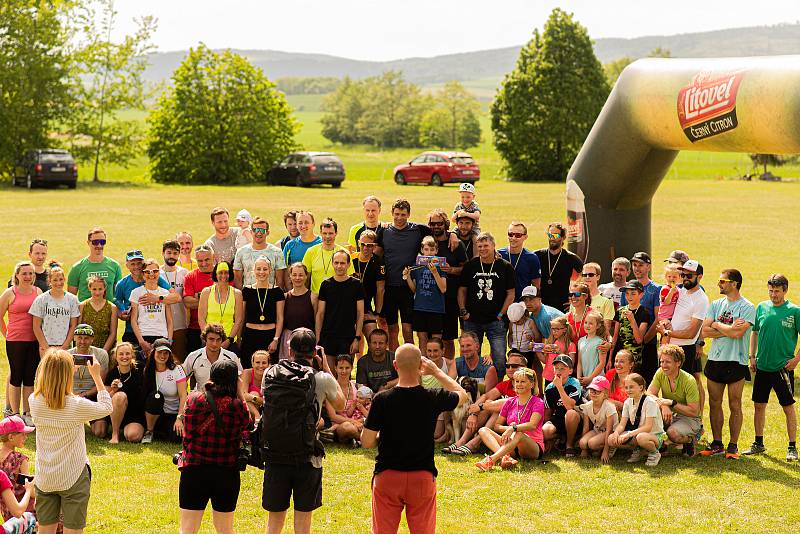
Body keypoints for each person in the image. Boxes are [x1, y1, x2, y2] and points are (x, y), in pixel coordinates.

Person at [361, 344, 468, 534]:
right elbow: (462, 394)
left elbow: (367, 441)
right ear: (421, 365)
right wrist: (436, 372)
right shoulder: (432, 396)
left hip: (388, 475)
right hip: (422, 476)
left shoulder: (381, 399)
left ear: (395, 365)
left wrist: (383, 437)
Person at [262, 328, 344, 534]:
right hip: (307, 454)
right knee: (303, 522)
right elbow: (341, 404)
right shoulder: (321, 378)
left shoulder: (269, 373)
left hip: (275, 452)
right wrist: (325, 366)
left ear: (290, 350)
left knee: (274, 522)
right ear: (314, 352)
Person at [29, 349, 112, 534]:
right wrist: (97, 377)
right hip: (73, 475)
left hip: (46, 477)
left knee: (45, 530)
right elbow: (107, 407)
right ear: (67, 374)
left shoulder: (33, 401)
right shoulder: (76, 405)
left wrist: (61, 369)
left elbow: (49, 391)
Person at [177, 359, 249, 534]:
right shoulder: (237, 406)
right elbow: (246, 422)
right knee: (225, 529)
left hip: (194, 470)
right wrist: (240, 392)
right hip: (225, 472)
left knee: (187, 529)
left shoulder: (194, 399)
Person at [699, 269, 754, 459]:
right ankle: (717, 444)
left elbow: (738, 334)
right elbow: (704, 332)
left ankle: (733, 446)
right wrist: (727, 328)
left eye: (723, 281)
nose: (719, 284)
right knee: (714, 403)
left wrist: (716, 325)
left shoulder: (747, 307)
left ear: (734, 284)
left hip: (736, 361)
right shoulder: (715, 304)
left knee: (735, 403)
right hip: (715, 359)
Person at [744, 274, 800, 461]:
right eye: (770, 290)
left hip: (782, 368)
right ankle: (758, 443)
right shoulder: (762, 307)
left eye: (776, 291)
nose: (773, 294)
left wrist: (796, 360)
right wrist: (752, 356)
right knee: (759, 405)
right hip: (762, 367)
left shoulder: (794, 311)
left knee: (788, 407)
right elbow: (754, 333)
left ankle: (792, 447)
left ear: (785, 290)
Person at [444, 351, 527, 456]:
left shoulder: (528, 384)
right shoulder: (506, 384)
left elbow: (511, 404)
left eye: (514, 366)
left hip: (518, 427)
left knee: (496, 408)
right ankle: (461, 441)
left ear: (525, 367)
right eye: (507, 365)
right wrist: (474, 414)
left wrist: (481, 407)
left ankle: (475, 443)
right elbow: (486, 396)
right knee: (489, 405)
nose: (510, 369)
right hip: (503, 424)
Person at [458, 232, 515, 377]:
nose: (482, 249)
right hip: (472, 320)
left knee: (499, 358)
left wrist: (501, 314)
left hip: (495, 321)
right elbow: (462, 290)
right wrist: (463, 311)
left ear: (493, 246)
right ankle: (470, 386)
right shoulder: (471, 266)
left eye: (486, 246)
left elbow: (511, 294)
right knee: (468, 356)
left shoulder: (505, 266)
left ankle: (497, 390)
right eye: (479, 246)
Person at [376, 199, 431, 350]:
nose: (399, 218)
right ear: (391, 214)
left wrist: (452, 235)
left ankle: (411, 362)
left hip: (409, 287)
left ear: (409, 215)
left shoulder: (418, 230)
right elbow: (376, 254)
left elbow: (441, 233)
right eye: (396, 214)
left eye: (403, 215)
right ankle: (395, 363)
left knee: (408, 330)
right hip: (389, 288)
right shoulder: (384, 231)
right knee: (392, 330)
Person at [656, 259, 708, 419]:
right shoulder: (680, 290)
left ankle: (693, 425)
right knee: (667, 385)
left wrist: (666, 332)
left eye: (689, 275)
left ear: (699, 277)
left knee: (686, 390)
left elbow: (691, 333)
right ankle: (671, 422)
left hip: (685, 350)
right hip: (668, 346)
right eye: (683, 274)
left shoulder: (701, 299)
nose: (684, 277)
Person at [475, 366, 545, 471]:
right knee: (483, 430)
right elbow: (497, 426)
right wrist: (508, 429)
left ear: (532, 384)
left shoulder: (538, 402)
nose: (519, 384)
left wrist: (513, 428)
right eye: (517, 381)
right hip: (510, 443)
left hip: (532, 446)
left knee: (519, 433)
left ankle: (491, 460)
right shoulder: (509, 401)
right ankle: (506, 457)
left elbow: (532, 425)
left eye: (523, 381)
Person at [0, 263, 42, 420]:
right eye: (24, 273)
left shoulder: (38, 292)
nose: (28, 277)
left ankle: (27, 412)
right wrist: (7, 334)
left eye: (31, 273)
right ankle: (15, 413)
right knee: (16, 376)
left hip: (34, 340)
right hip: (15, 341)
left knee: (30, 377)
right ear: (17, 275)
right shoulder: (10, 293)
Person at [647, 344, 702, 457]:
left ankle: (690, 440)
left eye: (667, 362)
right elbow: (649, 393)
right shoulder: (660, 372)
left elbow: (694, 411)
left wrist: (672, 403)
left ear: (678, 363)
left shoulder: (689, 380)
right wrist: (663, 405)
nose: (663, 365)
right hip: (669, 412)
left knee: (673, 434)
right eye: (661, 362)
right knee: (647, 419)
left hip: (689, 417)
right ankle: (661, 446)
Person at [428, 209, 468, 360]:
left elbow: (466, 268)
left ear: (445, 224)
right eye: (433, 223)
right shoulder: (426, 241)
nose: (436, 226)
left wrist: (451, 269)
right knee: (431, 338)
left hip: (450, 297)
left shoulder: (455, 244)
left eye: (439, 223)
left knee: (448, 338)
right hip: (430, 298)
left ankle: (450, 368)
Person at [315, 250, 365, 370]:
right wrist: (318, 338)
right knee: (331, 375)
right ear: (332, 263)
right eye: (336, 262)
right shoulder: (326, 285)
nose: (339, 266)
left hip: (348, 337)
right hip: (328, 336)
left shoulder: (356, 284)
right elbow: (320, 314)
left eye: (342, 263)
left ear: (348, 264)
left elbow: (360, 314)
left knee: (344, 375)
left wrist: (357, 338)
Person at [114, 250, 173, 350]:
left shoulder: (154, 277)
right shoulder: (122, 284)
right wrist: (122, 311)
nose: (136, 266)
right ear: (127, 265)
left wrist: (157, 298)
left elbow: (176, 297)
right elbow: (117, 300)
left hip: (158, 331)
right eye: (133, 264)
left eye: (139, 263)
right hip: (132, 330)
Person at [607, 373, 665, 467]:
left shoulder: (649, 402)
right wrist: (616, 433)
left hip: (653, 435)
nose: (628, 390)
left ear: (641, 387)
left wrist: (629, 434)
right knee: (611, 439)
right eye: (626, 387)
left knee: (641, 437)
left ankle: (654, 452)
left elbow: (648, 427)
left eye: (631, 387)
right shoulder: (628, 402)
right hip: (637, 434)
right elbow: (622, 424)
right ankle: (638, 449)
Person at [621, 252, 661, 380]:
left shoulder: (656, 289)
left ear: (648, 267)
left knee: (647, 380)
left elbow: (658, 317)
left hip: (648, 344)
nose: (637, 268)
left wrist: (644, 339)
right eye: (634, 265)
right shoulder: (627, 288)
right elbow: (623, 315)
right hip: (628, 345)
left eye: (641, 265)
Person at [240, 257, 285, 367]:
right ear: (253, 271)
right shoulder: (246, 290)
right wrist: (239, 337)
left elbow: (280, 318)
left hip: (269, 336)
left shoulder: (277, 292)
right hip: (250, 335)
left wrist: (276, 339)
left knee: (269, 369)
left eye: (265, 269)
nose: (261, 272)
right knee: (248, 368)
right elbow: (241, 317)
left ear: (270, 271)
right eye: (258, 269)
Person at [404, 237, 446, 351]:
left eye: (432, 250)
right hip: (420, 307)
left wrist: (435, 272)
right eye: (426, 250)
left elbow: (443, 288)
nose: (429, 253)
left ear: (436, 251)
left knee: (436, 340)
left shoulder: (441, 265)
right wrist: (407, 277)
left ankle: (436, 365)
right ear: (422, 250)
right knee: (422, 337)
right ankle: (423, 364)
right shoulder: (417, 266)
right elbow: (414, 289)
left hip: (436, 308)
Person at [142, 339, 188, 444]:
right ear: (153, 352)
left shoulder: (177, 369)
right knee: (154, 397)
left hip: (174, 414)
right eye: (159, 352)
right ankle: (149, 431)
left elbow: (183, 395)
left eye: (166, 353)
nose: (163, 356)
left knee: (176, 438)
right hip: (156, 413)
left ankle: (161, 432)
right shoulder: (148, 370)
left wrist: (180, 418)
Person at [67, 324, 110, 437]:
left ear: (92, 339)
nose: (82, 341)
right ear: (74, 338)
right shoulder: (67, 355)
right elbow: (62, 382)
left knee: (100, 432)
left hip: (92, 394)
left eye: (86, 338)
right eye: (80, 337)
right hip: (71, 395)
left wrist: (84, 394)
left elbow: (100, 383)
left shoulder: (101, 354)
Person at [30, 265, 80, 355]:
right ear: (49, 281)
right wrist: (46, 347)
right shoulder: (41, 299)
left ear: (64, 279)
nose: (58, 283)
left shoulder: (72, 299)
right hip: (46, 346)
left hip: (66, 347)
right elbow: (36, 326)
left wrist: (65, 346)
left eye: (61, 279)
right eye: (55, 280)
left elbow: (73, 325)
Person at [130, 259, 174, 357]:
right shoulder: (136, 292)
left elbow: (169, 319)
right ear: (142, 274)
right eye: (147, 272)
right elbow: (133, 320)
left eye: (155, 271)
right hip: (144, 335)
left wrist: (169, 340)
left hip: (162, 335)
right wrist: (141, 341)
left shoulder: (165, 293)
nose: (151, 274)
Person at [535, 222, 583, 312]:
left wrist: (574, 301)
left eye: (555, 235)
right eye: (550, 235)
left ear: (563, 237)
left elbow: (584, 279)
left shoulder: (571, 258)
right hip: (541, 306)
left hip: (562, 307)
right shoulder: (537, 255)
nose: (552, 238)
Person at [103, 342, 145, 444]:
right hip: (116, 413)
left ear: (132, 355)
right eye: (121, 354)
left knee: (133, 436)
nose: (124, 357)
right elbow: (104, 400)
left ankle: (130, 428)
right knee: (120, 396)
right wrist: (113, 391)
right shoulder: (112, 373)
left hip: (135, 414)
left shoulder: (140, 370)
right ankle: (115, 433)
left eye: (127, 353)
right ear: (116, 357)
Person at [612, 280, 653, 382]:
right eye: (627, 294)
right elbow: (615, 336)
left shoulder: (644, 313)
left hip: (635, 359)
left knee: (632, 383)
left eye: (633, 294)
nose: (629, 297)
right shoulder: (620, 311)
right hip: (620, 356)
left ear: (641, 295)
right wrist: (610, 359)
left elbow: (639, 339)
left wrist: (632, 320)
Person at [541, 354, 582, 457]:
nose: (559, 371)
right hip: (559, 417)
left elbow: (569, 406)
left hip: (575, 418)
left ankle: (569, 444)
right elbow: (548, 412)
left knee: (570, 413)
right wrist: (548, 439)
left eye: (562, 368)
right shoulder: (549, 388)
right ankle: (560, 437)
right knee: (545, 431)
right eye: (556, 368)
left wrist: (559, 387)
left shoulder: (574, 383)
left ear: (570, 371)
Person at [183, 324, 243, 393]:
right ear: (205, 339)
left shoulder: (232, 357)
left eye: (218, 340)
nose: (215, 344)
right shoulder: (193, 356)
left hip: (225, 400)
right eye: (211, 339)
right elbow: (181, 379)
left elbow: (240, 380)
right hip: (201, 400)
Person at [67, 227, 122, 301]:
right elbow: (70, 298)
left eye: (102, 242)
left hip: (109, 311)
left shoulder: (114, 266)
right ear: (88, 243)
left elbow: (119, 295)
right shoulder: (77, 267)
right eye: (95, 242)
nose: (99, 245)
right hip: (85, 311)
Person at [198, 262, 243, 353]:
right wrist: (208, 339)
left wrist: (229, 340)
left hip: (228, 341)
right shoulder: (206, 292)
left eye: (226, 272)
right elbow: (201, 318)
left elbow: (238, 320)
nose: (223, 275)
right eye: (220, 273)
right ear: (215, 274)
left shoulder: (237, 293)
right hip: (209, 341)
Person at [234, 216, 287, 291]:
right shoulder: (241, 252)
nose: (259, 233)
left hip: (269, 295)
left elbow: (280, 281)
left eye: (262, 230)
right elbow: (238, 280)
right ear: (251, 232)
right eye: (255, 230)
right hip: (248, 297)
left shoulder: (277, 252)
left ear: (268, 233)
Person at [303, 218, 353, 294]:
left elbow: (350, 279)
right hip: (316, 297)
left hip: (338, 297)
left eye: (330, 233)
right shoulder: (311, 251)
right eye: (325, 233)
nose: (327, 236)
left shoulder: (344, 253)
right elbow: (306, 279)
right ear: (320, 233)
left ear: (336, 233)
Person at [0, 415, 35, 523]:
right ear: (11, 437)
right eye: (23, 434)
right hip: (26, 512)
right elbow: (32, 492)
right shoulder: (19, 460)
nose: (26, 437)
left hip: (7, 514)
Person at [352, 230, 385, 343]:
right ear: (358, 243)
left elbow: (380, 289)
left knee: (374, 340)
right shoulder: (351, 259)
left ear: (374, 246)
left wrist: (377, 314)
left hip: (366, 309)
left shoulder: (378, 262)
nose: (365, 248)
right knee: (350, 343)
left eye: (369, 245)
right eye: (363, 244)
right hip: (348, 307)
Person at [325, 354, 365, 447]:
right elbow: (333, 417)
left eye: (347, 368)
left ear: (351, 368)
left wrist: (360, 421)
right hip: (341, 425)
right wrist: (354, 422)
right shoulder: (330, 389)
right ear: (335, 368)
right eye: (341, 368)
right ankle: (366, 439)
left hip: (359, 422)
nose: (344, 371)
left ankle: (355, 440)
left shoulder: (357, 386)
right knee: (347, 428)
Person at [577, 375, 618, 462]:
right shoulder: (587, 406)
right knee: (582, 443)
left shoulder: (609, 407)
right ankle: (596, 448)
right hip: (597, 430)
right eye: (591, 390)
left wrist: (605, 451)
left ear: (605, 394)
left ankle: (610, 446)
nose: (593, 393)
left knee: (592, 444)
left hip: (611, 433)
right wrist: (584, 450)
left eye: (598, 391)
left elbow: (609, 430)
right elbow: (586, 427)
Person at [280, 263, 317, 359]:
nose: (297, 278)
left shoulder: (313, 297)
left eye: (301, 275)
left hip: (307, 338)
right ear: (290, 276)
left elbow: (317, 320)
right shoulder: (285, 297)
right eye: (294, 275)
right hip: (288, 338)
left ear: (306, 276)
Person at [183, 245, 216, 353]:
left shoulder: (222, 274)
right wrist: (212, 299)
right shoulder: (190, 276)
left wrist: (199, 296)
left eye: (207, 260)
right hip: (195, 328)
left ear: (213, 257)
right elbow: (187, 302)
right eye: (200, 261)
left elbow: (227, 300)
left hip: (219, 328)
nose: (203, 264)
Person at [498, 221, 541, 300]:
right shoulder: (499, 255)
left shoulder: (532, 258)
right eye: (510, 234)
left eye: (518, 235)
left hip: (522, 304)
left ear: (525, 237)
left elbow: (536, 286)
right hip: (500, 303)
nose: (513, 238)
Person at [161, 240, 189, 362]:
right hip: (161, 325)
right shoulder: (157, 273)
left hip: (180, 324)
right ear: (163, 253)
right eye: (169, 253)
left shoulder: (185, 273)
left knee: (179, 360)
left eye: (175, 253)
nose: (172, 256)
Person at [77, 276, 117, 353]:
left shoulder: (112, 307)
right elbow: (78, 330)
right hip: (85, 349)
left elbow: (113, 333)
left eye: (100, 289)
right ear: (89, 289)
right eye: (94, 289)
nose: (97, 292)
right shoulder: (82, 306)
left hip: (105, 348)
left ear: (105, 288)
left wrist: (103, 352)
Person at [579, 262, 615, 332]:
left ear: (598, 277)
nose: (587, 277)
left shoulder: (607, 301)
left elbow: (606, 329)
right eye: (584, 275)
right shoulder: (576, 299)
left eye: (591, 275)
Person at [576, 311, 609, 387]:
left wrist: (590, 378)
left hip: (597, 380)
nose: (587, 325)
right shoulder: (580, 341)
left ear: (598, 326)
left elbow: (602, 363)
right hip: (585, 380)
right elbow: (579, 362)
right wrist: (578, 378)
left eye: (591, 323)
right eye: (586, 322)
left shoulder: (601, 342)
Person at [541, 316, 575, 387]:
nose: (554, 332)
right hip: (548, 377)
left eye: (557, 329)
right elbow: (544, 361)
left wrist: (560, 352)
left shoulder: (571, 345)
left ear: (565, 330)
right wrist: (536, 350)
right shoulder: (551, 342)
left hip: (562, 378)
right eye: (553, 329)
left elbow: (571, 363)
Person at [657, 263, 681, 344]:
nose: (671, 279)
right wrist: (671, 292)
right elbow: (666, 302)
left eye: (674, 277)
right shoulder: (665, 289)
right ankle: (663, 347)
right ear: (665, 277)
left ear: (679, 278)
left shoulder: (677, 289)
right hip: (663, 316)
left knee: (671, 334)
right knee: (667, 332)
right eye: (669, 276)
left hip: (671, 316)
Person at [242, 350, 269, 422]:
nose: (260, 366)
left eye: (264, 363)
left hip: (267, 409)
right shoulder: (247, 373)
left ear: (268, 365)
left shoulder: (271, 375)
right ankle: (256, 420)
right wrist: (257, 414)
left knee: (252, 395)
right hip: (251, 410)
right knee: (254, 393)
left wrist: (252, 398)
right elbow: (243, 395)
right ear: (252, 364)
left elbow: (271, 401)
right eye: (257, 362)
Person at [605, 349, 634, 414]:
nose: (617, 364)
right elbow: (597, 393)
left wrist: (607, 400)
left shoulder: (634, 380)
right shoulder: (610, 374)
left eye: (622, 362)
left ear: (631, 364)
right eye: (616, 361)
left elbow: (629, 408)